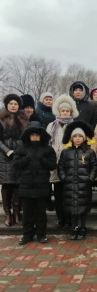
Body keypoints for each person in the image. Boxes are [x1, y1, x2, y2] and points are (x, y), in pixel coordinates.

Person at [13, 122, 56, 245]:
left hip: (42, 186)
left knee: (41, 214)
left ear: (41, 136)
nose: (35, 137)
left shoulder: (48, 149)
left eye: (37, 135)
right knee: (27, 214)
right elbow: (16, 164)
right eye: (33, 135)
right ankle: (27, 235)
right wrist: (26, 158)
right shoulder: (22, 148)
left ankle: (41, 235)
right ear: (28, 136)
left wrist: (42, 159)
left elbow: (53, 165)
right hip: (26, 186)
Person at [58, 121, 97, 240]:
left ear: (84, 138)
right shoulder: (66, 152)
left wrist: (90, 178)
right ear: (71, 138)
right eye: (75, 136)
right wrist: (63, 177)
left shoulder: (89, 152)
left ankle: (82, 227)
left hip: (84, 184)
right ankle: (74, 227)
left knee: (82, 207)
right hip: (69, 184)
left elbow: (94, 166)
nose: (77, 139)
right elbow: (60, 166)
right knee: (72, 207)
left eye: (80, 136)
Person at [46, 94, 79, 228]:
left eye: (67, 111)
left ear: (71, 112)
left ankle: (71, 218)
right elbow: (47, 144)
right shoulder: (51, 126)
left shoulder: (75, 126)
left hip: (70, 165)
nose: (65, 113)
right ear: (58, 111)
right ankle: (61, 219)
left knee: (69, 195)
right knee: (59, 195)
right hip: (55, 164)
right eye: (63, 110)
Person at [0, 94, 28, 226]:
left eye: (15, 104)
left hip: (20, 154)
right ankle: (8, 213)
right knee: (7, 184)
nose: (13, 106)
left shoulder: (23, 119)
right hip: (5, 156)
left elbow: (26, 138)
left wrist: (22, 151)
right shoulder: (1, 119)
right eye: (11, 103)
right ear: (7, 105)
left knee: (18, 184)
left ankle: (17, 212)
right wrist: (7, 151)